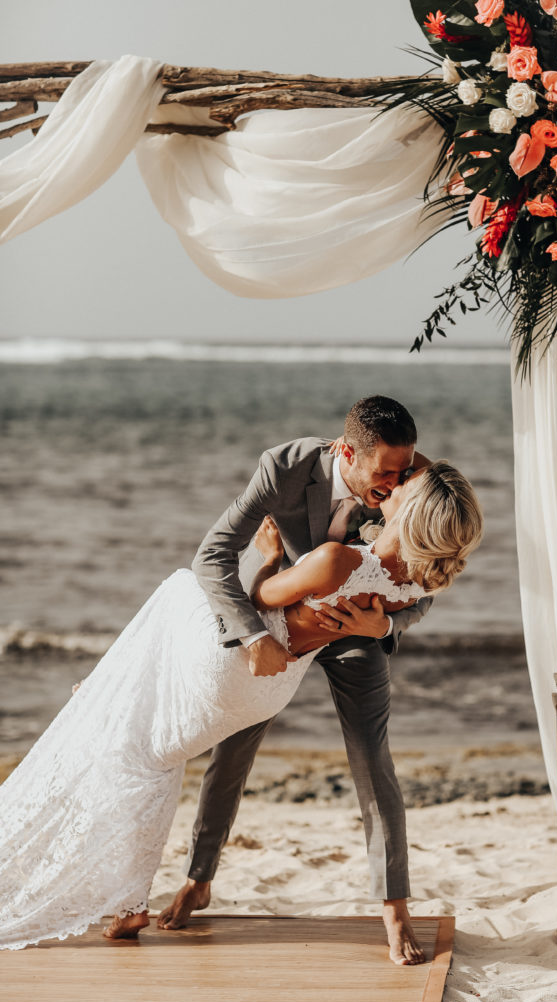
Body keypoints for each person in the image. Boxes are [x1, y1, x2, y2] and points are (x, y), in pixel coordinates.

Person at [0, 457, 483, 954]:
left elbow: (260, 597)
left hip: (261, 650)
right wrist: (420, 494)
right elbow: (419, 507)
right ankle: (174, 886)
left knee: (178, 589)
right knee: (193, 755)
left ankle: (103, 689)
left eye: (406, 479)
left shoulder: (339, 559)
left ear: (414, 515)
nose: (397, 478)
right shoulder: (416, 578)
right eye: (398, 469)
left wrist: (271, 557)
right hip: (278, 677)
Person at [159, 395, 435, 965]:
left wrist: (384, 622)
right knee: (232, 750)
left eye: (402, 470)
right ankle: (199, 876)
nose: (394, 484)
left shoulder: (413, 480)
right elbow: (212, 555)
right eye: (384, 472)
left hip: (354, 628)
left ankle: (395, 909)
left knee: (371, 758)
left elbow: (426, 579)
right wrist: (253, 639)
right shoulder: (286, 468)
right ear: (345, 453)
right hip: (284, 621)